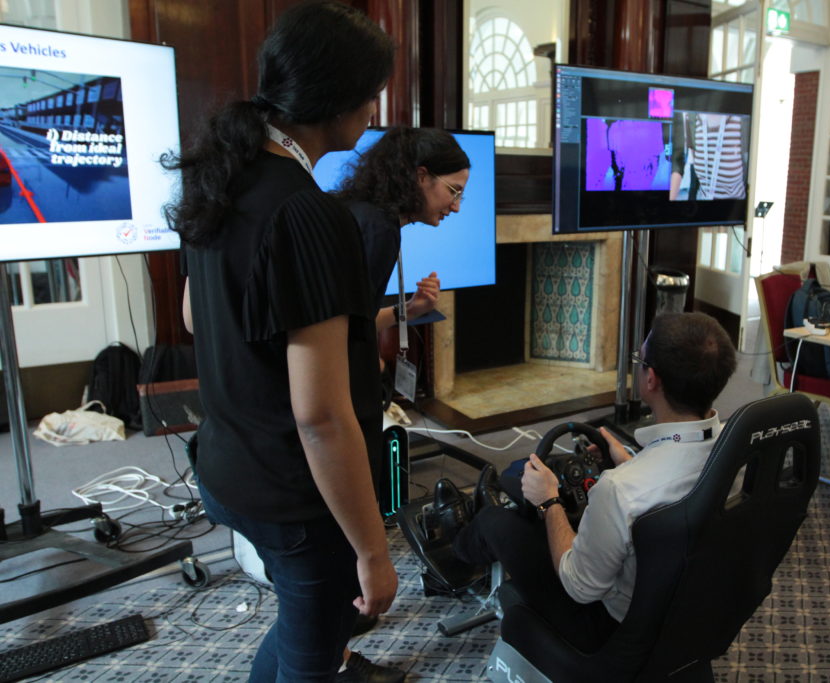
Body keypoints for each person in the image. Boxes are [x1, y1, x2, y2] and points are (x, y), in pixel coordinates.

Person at [163, 3, 402, 681]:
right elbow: (320, 415)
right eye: (372, 92)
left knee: (302, 625)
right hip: (297, 497)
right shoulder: (307, 212)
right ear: (338, 98)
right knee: (316, 648)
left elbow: (191, 313)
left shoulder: (222, 174)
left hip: (227, 465)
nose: (375, 107)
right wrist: (373, 550)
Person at [451, 312, 738, 653]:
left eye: (640, 360)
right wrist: (632, 462)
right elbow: (674, 486)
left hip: (613, 630)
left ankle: (453, 559)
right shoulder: (738, 451)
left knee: (495, 522)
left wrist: (549, 502)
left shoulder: (619, 489)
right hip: (691, 609)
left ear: (652, 380)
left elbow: (579, 586)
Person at [334, 126, 471, 332]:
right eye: (454, 191)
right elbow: (342, 330)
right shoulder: (378, 229)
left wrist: (410, 309)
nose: (456, 206)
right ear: (421, 176)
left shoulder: (367, 214)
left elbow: (357, 323)